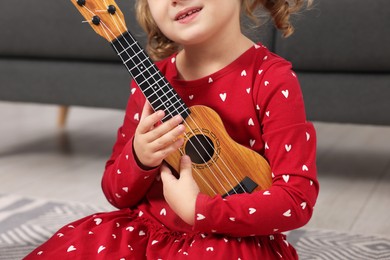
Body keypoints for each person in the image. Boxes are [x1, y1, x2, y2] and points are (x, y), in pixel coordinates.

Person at [25, 0, 318, 259]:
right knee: (78, 244)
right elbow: (116, 193)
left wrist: (199, 210)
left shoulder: (271, 78)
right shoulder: (150, 83)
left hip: (228, 240)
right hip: (148, 234)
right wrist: (139, 157)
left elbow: (296, 199)